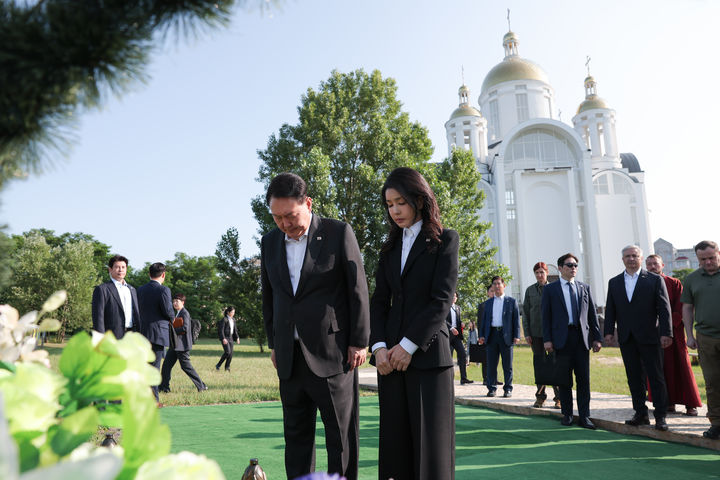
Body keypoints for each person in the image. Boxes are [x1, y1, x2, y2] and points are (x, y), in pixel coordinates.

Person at [261, 172, 369, 480]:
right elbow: (270, 296)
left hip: (333, 353)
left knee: (340, 437)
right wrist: (274, 343)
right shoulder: (269, 242)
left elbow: (357, 289)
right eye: (277, 217)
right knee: (296, 438)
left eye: (290, 215)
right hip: (289, 355)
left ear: (307, 203)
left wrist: (359, 341)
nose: (285, 223)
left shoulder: (338, 233)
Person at [370, 167, 458, 480]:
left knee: (430, 456)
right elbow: (379, 302)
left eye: (400, 202)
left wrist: (409, 346)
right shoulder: (388, 247)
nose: (394, 210)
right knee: (395, 453)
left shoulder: (445, 240)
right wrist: (379, 348)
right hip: (390, 362)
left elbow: (441, 300)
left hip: (428, 360)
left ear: (419, 200)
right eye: (389, 204)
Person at [604, 245, 672, 431]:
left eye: (635, 256)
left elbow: (664, 309)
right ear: (622, 259)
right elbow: (611, 309)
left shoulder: (654, 280)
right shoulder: (614, 282)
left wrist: (667, 333)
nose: (631, 259)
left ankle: (660, 416)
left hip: (651, 336)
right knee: (633, 377)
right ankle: (640, 413)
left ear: (641, 259)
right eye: (627, 256)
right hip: (627, 337)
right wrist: (608, 331)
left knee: (656, 377)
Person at [541, 253, 602, 429]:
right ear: (560, 268)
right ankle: (567, 414)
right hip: (561, 340)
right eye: (569, 265)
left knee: (583, 380)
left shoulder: (584, 288)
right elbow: (546, 317)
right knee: (564, 380)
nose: (573, 268)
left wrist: (597, 338)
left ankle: (585, 416)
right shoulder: (550, 289)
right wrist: (547, 340)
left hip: (581, 339)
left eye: (575, 265)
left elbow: (592, 315)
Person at [645, 254, 701, 416]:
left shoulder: (674, 283)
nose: (652, 267)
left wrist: (666, 328)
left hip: (674, 334)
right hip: (652, 335)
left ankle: (691, 404)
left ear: (662, 265)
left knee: (682, 367)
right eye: (649, 264)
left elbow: (681, 306)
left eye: (655, 264)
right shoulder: (643, 284)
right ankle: (667, 402)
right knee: (658, 369)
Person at [682, 240, 720, 440]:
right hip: (705, 337)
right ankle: (716, 423)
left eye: (711, 258)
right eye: (702, 259)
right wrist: (689, 334)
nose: (708, 262)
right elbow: (687, 307)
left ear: (718, 254)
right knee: (712, 382)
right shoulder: (692, 279)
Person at [523, 261, 560, 409]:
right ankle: (540, 397)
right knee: (539, 366)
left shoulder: (554, 289)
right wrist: (527, 333)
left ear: (547, 273)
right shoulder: (530, 290)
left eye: (542, 272)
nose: (539, 275)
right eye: (537, 273)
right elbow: (525, 313)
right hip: (536, 334)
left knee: (555, 365)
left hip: (552, 335)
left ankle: (559, 398)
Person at [137, 262, 175, 404]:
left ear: (149, 274)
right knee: (154, 369)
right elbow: (168, 311)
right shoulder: (164, 290)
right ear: (163, 275)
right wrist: (174, 320)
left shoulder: (139, 290)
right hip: (158, 334)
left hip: (142, 333)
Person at [479, 276, 520, 398]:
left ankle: (508, 388)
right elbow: (484, 321)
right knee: (491, 364)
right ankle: (492, 388)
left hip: (505, 335)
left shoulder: (511, 301)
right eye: (494, 284)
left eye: (498, 284)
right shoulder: (488, 303)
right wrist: (481, 335)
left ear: (504, 285)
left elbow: (516, 320)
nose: (496, 286)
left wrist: (516, 336)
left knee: (507, 365)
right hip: (492, 335)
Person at [158, 293, 207, 393]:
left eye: (177, 301)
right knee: (166, 366)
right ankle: (164, 387)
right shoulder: (177, 313)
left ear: (183, 302)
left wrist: (172, 329)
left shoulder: (184, 313)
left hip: (182, 346)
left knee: (186, 367)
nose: (175, 303)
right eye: (174, 301)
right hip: (175, 345)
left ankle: (201, 386)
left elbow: (184, 328)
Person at [92, 255, 141, 340]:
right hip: (111, 336)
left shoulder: (132, 289)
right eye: (117, 267)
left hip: (131, 335)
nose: (121, 270)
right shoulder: (102, 289)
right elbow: (98, 317)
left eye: (123, 267)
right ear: (110, 269)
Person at [447, 292, 472, 385]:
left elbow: (458, 320)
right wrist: (451, 328)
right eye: (452, 296)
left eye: (455, 296)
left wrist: (461, 324)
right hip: (448, 334)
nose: (453, 297)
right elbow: (443, 320)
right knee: (448, 357)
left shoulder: (458, 308)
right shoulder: (445, 306)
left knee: (462, 354)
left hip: (457, 336)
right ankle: (448, 379)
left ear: (457, 298)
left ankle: (463, 378)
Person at [474, 284, 495, 383]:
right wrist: (481, 336)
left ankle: (494, 378)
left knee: (495, 358)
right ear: (488, 293)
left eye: (494, 291)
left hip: (496, 334)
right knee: (485, 358)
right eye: (491, 291)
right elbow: (480, 322)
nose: (493, 293)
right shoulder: (483, 305)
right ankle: (485, 378)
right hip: (486, 335)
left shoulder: (499, 304)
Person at [216, 306, 239, 372]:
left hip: (231, 338)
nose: (233, 313)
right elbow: (221, 330)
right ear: (228, 312)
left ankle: (227, 367)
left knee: (230, 354)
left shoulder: (233, 320)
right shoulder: (224, 319)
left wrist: (237, 337)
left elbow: (235, 330)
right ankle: (218, 365)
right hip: (225, 338)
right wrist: (223, 338)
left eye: (234, 312)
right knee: (227, 352)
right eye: (232, 312)